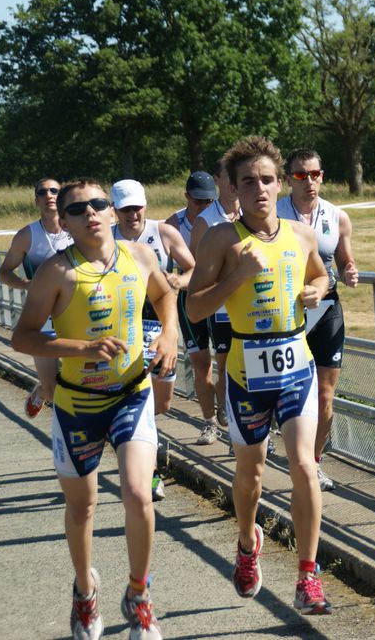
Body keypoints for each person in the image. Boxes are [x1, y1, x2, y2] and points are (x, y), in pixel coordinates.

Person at [12, 178, 177, 640]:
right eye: (77, 209)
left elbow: (165, 296)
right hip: (76, 403)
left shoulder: (139, 256)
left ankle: (139, 595)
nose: (91, 213)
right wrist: (82, 347)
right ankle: (85, 591)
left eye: (98, 204)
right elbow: (22, 336)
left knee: (139, 495)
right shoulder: (55, 271)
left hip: (131, 393)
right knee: (82, 507)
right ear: (63, 221)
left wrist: (169, 335)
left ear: (111, 212)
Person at [187, 136, 332, 615]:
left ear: (280, 183)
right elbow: (194, 306)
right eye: (248, 181)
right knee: (250, 471)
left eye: (268, 180)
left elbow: (320, 275)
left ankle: (308, 576)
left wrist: (316, 288)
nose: (260, 189)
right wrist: (234, 278)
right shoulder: (221, 240)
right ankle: (248, 543)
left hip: (296, 365)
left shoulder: (300, 234)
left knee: (303, 465)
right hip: (247, 371)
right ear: (233, 188)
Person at [277, 149, 359, 492]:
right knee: (284, 391)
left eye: (314, 174)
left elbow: (344, 262)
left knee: (326, 395)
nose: (308, 181)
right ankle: (277, 443)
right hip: (284, 311)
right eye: (300, 175)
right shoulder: (274, 213)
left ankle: (313, 464)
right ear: (288, 179)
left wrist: (350, 271)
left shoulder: (337, 217)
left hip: (326, 309)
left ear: (322, 176)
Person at [112, 179, 196, 501]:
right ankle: (149, 470)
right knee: (140, 402)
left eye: (137, 207)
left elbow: (193, 268)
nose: (133, 214)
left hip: (164, 328)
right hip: (127, 330)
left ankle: (136, 446)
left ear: (145, 205)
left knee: (161, 404)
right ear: (115, 210)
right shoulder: (108, 238)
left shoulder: (164, 233)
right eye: (125, 209)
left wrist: (178, 280)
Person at [0, 177, 73, 417]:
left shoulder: (77, 228)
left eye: (54, 191)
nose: (49, 195)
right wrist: (26, 284)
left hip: (76, 314)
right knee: (52, 390)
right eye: (43, 192)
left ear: (62, 198)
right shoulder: (27, 236)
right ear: (36, 200)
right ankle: (41, 393)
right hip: (42, 318)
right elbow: (4, 271)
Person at [188, 161, 241, 447]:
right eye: (228, 177)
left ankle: (256, 429)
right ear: (217, 179)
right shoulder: (206, 221)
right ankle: (231, 421)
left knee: (252, 368)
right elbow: (200, 272)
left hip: (255, 305)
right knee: (226, 369)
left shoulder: (255, 213)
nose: (234, 183)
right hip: (222, 308)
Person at [164, 172, 218, 446]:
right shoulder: (174, 223)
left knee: (230, 363)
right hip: (189, 299)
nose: (204, 207)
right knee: (201, 363)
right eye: (198, 202)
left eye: (209, 201)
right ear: (187, 197)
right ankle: (209, 423)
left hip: (220, 298)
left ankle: (231, 417)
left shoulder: (221, 217)